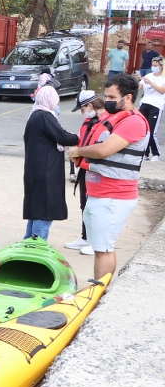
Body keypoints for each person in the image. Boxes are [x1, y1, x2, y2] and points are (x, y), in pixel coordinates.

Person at [66, 75, 150, 279]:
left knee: (104, 249)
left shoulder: (133, 122)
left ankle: (100, 293)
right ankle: (97, 288)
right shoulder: (113, 118)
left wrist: (78, 151)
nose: (108, 100)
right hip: (99, 194)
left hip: (114, 197)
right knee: (99, 249)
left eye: (112, 96)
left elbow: (104, 150)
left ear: (128, 97)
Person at [21, 87, 79, 241]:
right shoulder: (45, 116)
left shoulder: (35, 115)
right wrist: (78, 138)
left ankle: (29, 240)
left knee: (37, 207)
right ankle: (37, 243)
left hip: (36, 168)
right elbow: (62, 136)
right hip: (46, 170)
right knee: (44, 209)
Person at [64, 90, 100, 256]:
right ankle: (86, 238)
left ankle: (97, 241)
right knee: (84, 205)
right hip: (85, 168)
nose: (81, 112)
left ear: (91, 105)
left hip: (97, 170)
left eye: (82, 108)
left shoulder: (104, 122)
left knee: (95, 207)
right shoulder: (90, 122)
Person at [139, 56, 164, 162]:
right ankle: (144, 153)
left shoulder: (163, 78)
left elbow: (162, 90)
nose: (153, 67)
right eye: (152, 65)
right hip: (144, 104)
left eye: (155, 66)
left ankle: (156, 153)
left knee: (151, 131)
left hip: (156, 106)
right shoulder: (149, 75)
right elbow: (139, 86)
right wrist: (136, 81)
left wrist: (151, 83)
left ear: (161, 67)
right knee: (142, 130)